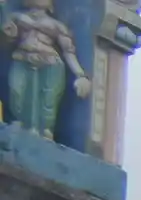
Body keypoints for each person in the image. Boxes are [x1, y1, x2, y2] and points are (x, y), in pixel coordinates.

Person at [3, 0, 92, 144]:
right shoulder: (17, 18)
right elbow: (8, 38)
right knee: (17, 92)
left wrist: (80, 75)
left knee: (47, 99)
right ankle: (21, 124)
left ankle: (45, 130)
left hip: (50, 63)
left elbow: (68, 51)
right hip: (22, 58)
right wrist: (9, 32)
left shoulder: (56, 26)